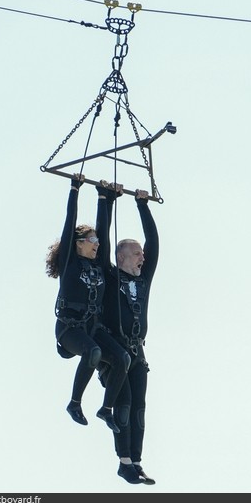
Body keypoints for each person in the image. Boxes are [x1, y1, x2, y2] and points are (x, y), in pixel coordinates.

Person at [45, 173, 131, 433]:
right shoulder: (70, 263)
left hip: (92, 329)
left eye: (97, 242)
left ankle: (106, 409)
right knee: (93, 352)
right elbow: (68, 222)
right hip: (70, 329)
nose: (97, 245)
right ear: (79, 243)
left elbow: (103, 230)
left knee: (122, 358)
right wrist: (75, 189)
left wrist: (105, 198)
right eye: (92, 241)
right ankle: (74, 403)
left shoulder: (98, 265)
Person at [97, 188, 159, 485]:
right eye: (136, 253)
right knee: (123, 404)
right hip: (114, 354)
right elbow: (105, 240)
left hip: (138, 353)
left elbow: (155, 244)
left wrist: (142, 205)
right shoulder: (110, 276)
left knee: (139, 408)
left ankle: (136, 461)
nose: (142, 257)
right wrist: (106, 201)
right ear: (121, 257)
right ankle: (123, 462)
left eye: (141, 254)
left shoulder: (143, 279)